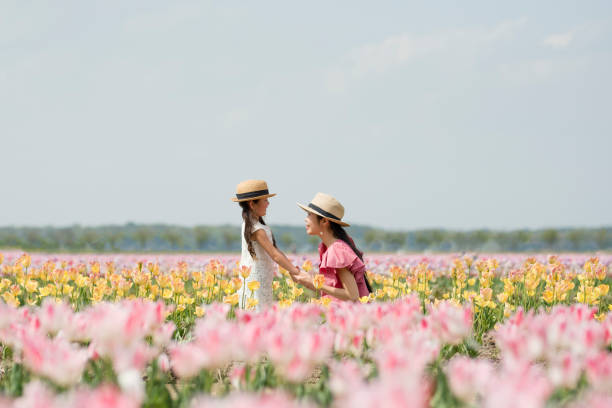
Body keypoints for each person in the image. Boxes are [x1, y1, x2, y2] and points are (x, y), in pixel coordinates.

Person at [232, 179, 300, 310]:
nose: (268, 204)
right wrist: (294, 271)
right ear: (252, 204)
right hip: (256, 281)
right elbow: (274, 255)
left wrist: (292, 268)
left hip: (260, 280)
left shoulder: (254, 225)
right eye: (265, 200)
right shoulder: (255, 229)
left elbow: (276, 251)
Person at [293, 192, 372, 301]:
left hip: (349, 314)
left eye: (309, 215)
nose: (305, 219)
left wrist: (315, 284)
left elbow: (352, 295)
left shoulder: (337, 250)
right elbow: (334, 287)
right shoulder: (328, 247)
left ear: (324, 221)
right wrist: (306, 280)